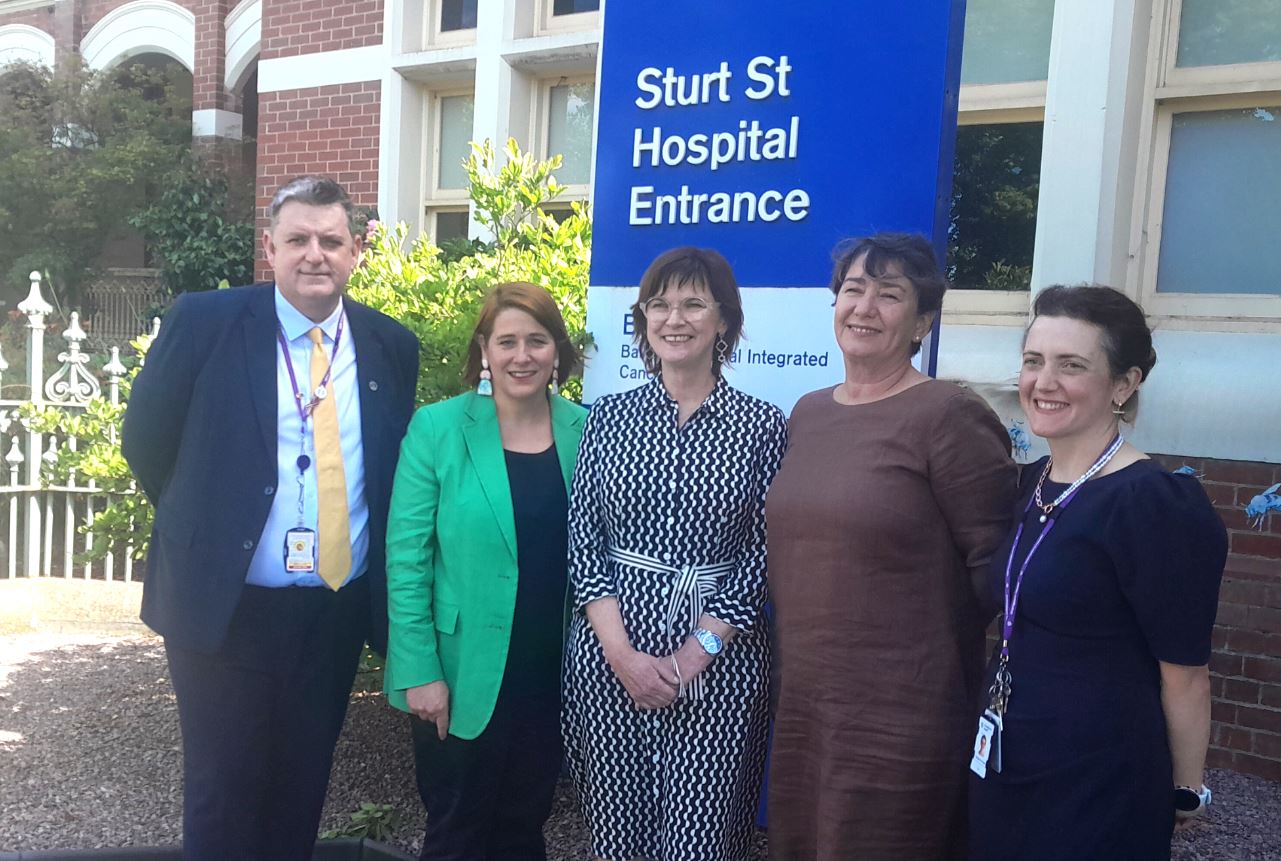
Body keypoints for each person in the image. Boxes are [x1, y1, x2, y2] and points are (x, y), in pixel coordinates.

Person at [121, 176, 419, 861]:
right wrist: (209, 529)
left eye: (331, 240)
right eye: (298, 239)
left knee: (301, 787)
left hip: (333, 611)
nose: (314, 254)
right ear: (270, 248)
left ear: (357, 251)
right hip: (223, 607)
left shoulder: (390, 347)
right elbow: (146, 440)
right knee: (222, 791)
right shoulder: (205, 321)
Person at [765, 232, 1017, 860]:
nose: (864, 308)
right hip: (807, 703)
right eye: (853, 290)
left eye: (889, 294)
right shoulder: (808, 412)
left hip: (902, 712)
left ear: (923, 321)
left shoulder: (949, 416)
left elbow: (999, 574)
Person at [968, 285, 1226, 860]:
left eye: (1072, 365)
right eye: (1034, 361)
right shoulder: (1029, 483)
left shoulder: (1154, 503)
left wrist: (1186, 792)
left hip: (1097, 776)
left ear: (1124, 384)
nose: (1044, 381)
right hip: (1007, 755)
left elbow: (1185, 673)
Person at [563, 247, 787, 861]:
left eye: (693, 303)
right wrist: (624, 658)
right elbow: (585, 544)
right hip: (613, 659)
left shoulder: (764, 427)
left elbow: (762, 556)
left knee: (702, 840)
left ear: (724, 320)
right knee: (618, 835)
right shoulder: (606, 419)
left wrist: (693, 656)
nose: (674, 318)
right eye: (658, 305)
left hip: (720, 666)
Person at [383, 282, 586, 860]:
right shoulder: (437, 429)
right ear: (485, 351)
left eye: (537, 341)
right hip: (458, 670)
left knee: (525, 830)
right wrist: (419, 669)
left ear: (557, 352)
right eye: (508, 342)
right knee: (457, 830)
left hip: (552, 674)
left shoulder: (588, 430)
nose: (522, 356)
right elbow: (407, 560)